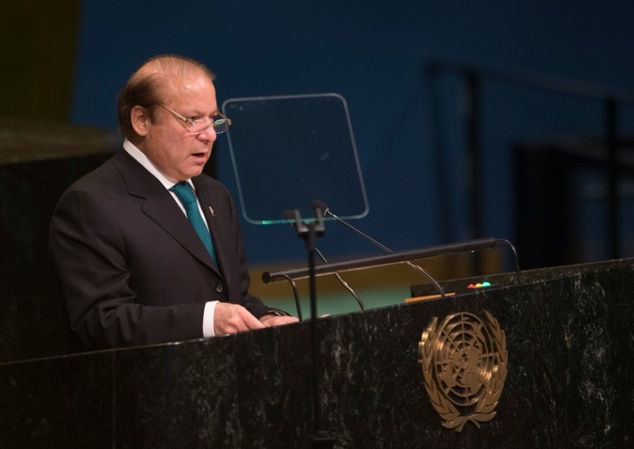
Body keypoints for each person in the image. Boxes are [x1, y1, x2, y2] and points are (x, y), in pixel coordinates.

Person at [49, 54, 298, 349]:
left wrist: (266, 318)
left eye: (213, 119)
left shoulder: (214, 193)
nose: (209, 135)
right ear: (141, 120)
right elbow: (102, 321)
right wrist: (207, 321)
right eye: (192, 119)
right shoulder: (91, 203)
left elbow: (234, 298)